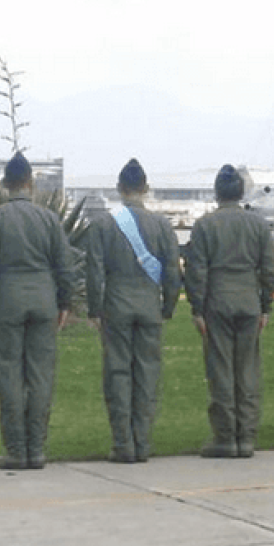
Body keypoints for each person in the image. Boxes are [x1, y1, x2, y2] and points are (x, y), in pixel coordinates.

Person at [0, 152, 74, 470]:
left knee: (9, 374)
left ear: (5, 185)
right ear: (30, 183)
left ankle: (16, 449)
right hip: (43, 299)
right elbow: (64, 266)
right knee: (41, 375)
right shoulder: (50, 220)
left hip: (7, 300)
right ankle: (37, 447)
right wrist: (64, 303)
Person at [86, 159, 181, 463]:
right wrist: (168, 306)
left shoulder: (103, 224)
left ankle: (122, 443)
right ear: (146, 188)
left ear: (119, 189)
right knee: (147, 374)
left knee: (118, 374)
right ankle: (142, 441)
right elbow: (172, 273)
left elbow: (95, 271)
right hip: (149, 306)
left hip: (116, 304)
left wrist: (94, 309)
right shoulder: (162, 225)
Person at [183, 164, 274, 459]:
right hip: (249, 300)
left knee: (221, 369)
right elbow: (268, 269)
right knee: (248, 369)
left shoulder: (204, 226)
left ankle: (225, 436)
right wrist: (266, 305)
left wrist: (197, 308)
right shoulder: (258, 225)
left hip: (218, 301)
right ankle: (246, 435)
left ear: (216, 193)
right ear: (240, 192)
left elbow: (196, 271)